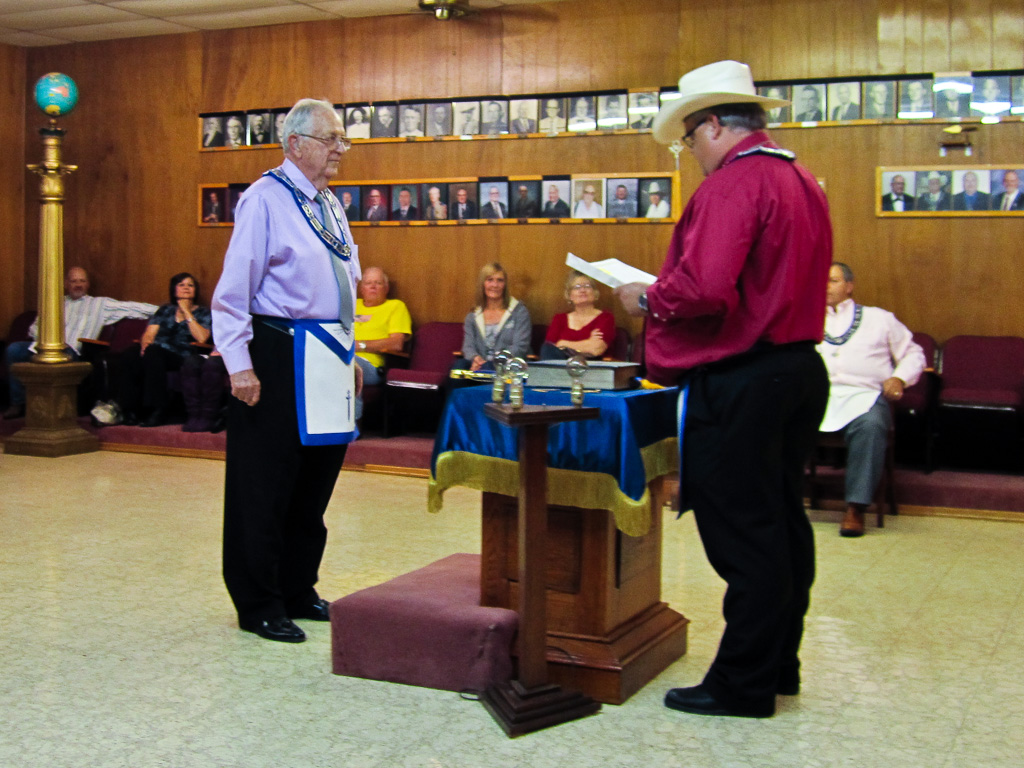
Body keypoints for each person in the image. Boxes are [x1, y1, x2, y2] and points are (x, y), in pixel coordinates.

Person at [615, 60, 831, 719]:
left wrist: (646, 297)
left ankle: (742, 684)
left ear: (713, 125)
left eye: (688, 139)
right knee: (782, 523)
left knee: (743, 533)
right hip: (797, 369)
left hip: (745, 376)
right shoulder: (801, 179)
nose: (691, 154)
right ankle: (776, 664)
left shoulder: (735, 184)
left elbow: (706, 289)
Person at [212, 98, 362, 644]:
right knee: (266, 487)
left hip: (328, 353)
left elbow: (342, 286)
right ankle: (258, 602)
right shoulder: (265, 200)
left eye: (343, 140)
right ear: (296, 143)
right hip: (277, 353)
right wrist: (240, 366)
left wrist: (354, 354)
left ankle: (299, 588)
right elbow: (232, 294)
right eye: (332, 139)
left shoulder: (330, 204)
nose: (341, 150)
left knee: (313, 487)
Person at [818, 262, 925, 537]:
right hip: (817, 396)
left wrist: (898, 378)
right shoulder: (806, 317)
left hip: (864, 396)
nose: (825, 285)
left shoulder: (879, 318)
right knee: (774, 418)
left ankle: (855, 507)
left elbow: (914, 354)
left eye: (832, 280)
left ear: (849, 286)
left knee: (871, 426)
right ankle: (779, 501)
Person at [3, 266, 156, 420]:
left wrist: (169, 311)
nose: (78, 284)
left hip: (71, 351)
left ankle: (56, 408)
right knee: (14, 350)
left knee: (59, 357)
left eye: (82, 281)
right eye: (74, 281)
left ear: (88, 284)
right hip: (43, 348)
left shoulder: (100, 304)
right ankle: (18, 403)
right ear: (66, 284)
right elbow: (33, 329)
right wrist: (45, 338)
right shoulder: (54, 303)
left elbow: (137, 308)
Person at [116, 272, 212, 427]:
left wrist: (187, 312)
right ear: (174, 290)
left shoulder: (204, 312)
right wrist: (145, 345)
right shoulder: (164, 311)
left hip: (182, 355)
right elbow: (149, 333)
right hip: (155, 352)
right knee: (130, 355)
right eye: (181, 285)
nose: (186, 288)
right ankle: (129, 410)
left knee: (154, 354)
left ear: (196, 290)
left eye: (190, 285)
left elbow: (202, 338)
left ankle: (158, 409)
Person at [353, 267, 411, 417]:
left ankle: (354, 423)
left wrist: (360, 345)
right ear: (361, 289)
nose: (373, 286)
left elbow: (396, 343)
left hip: (373, 366)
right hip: (342, 356)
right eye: (368, 283)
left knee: (349, 364)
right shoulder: (352, 305)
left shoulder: (395, 307)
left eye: (378, 283)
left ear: (386, 288)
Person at [457, 262, 531, 372]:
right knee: (457, 367)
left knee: (489, 368)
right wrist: (475, 359)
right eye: (490, 280)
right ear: (483, 284)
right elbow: (468, 347)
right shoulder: (472, 315)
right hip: (477, 366)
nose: (495, 285)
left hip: (508, 367)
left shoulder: (519, 312)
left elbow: (520, 347)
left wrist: (493, 363)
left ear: (505, 285)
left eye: (500, 280)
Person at [540, 271, 615, 360]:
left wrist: (563, 343)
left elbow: (595, 349)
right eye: (577, 287)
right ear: (570, 295)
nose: (582, 290)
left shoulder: (605, 318)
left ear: (595, 293)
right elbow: (549, 349)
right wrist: (588, 342)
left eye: (587, 286)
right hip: (560, 367)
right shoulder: (559, 319)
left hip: (591, 368)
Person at [180, 350, 227, 433]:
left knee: (212, 364)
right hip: (213, 352)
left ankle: (208, 416)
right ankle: (194, 415)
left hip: (234, 355)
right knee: (191, 362)